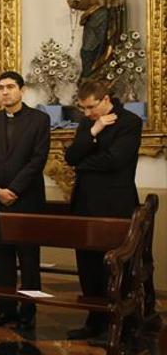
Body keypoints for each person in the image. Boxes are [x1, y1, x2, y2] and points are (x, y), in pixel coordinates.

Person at [64, 79, 142, 340]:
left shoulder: (130, 122)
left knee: (117, 264)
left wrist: (83, 165)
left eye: (91, 107)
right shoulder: (89, 123)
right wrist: (94, 129)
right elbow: (71, 156)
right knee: (87, 263)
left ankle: (123, 322)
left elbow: (115, 160)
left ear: (106, 98)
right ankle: (94, 319)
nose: (86, 113)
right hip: (85, 202)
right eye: (83, 109)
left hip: (115, 204)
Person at [0, 71, 50, 330]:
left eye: (10, 87)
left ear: (21, 90)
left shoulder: (39, 119)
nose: (5, 92)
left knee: (28, 260)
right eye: (1, 88)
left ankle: (28, 309)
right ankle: (4, 308)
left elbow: (37, 160)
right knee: (1, 258)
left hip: (27, 198)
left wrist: (13, 189)